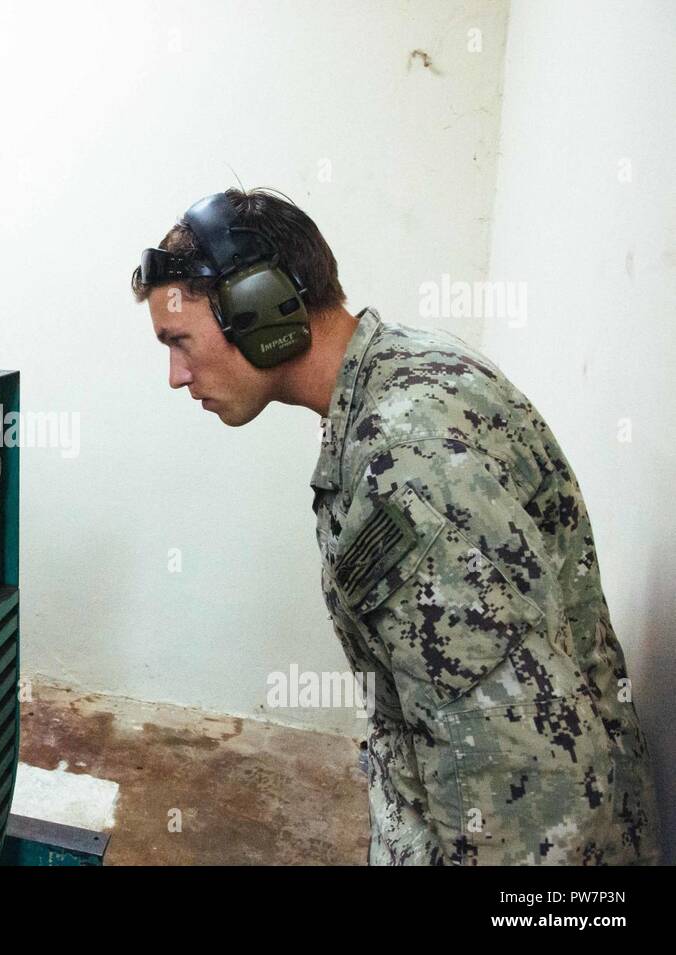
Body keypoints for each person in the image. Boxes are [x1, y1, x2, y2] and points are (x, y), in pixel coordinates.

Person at [131, 187, 660, 865]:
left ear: (261, 309)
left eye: (179, 341)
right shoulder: (401, 372)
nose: (176, 375)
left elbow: (526, 798)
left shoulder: (408, 465)